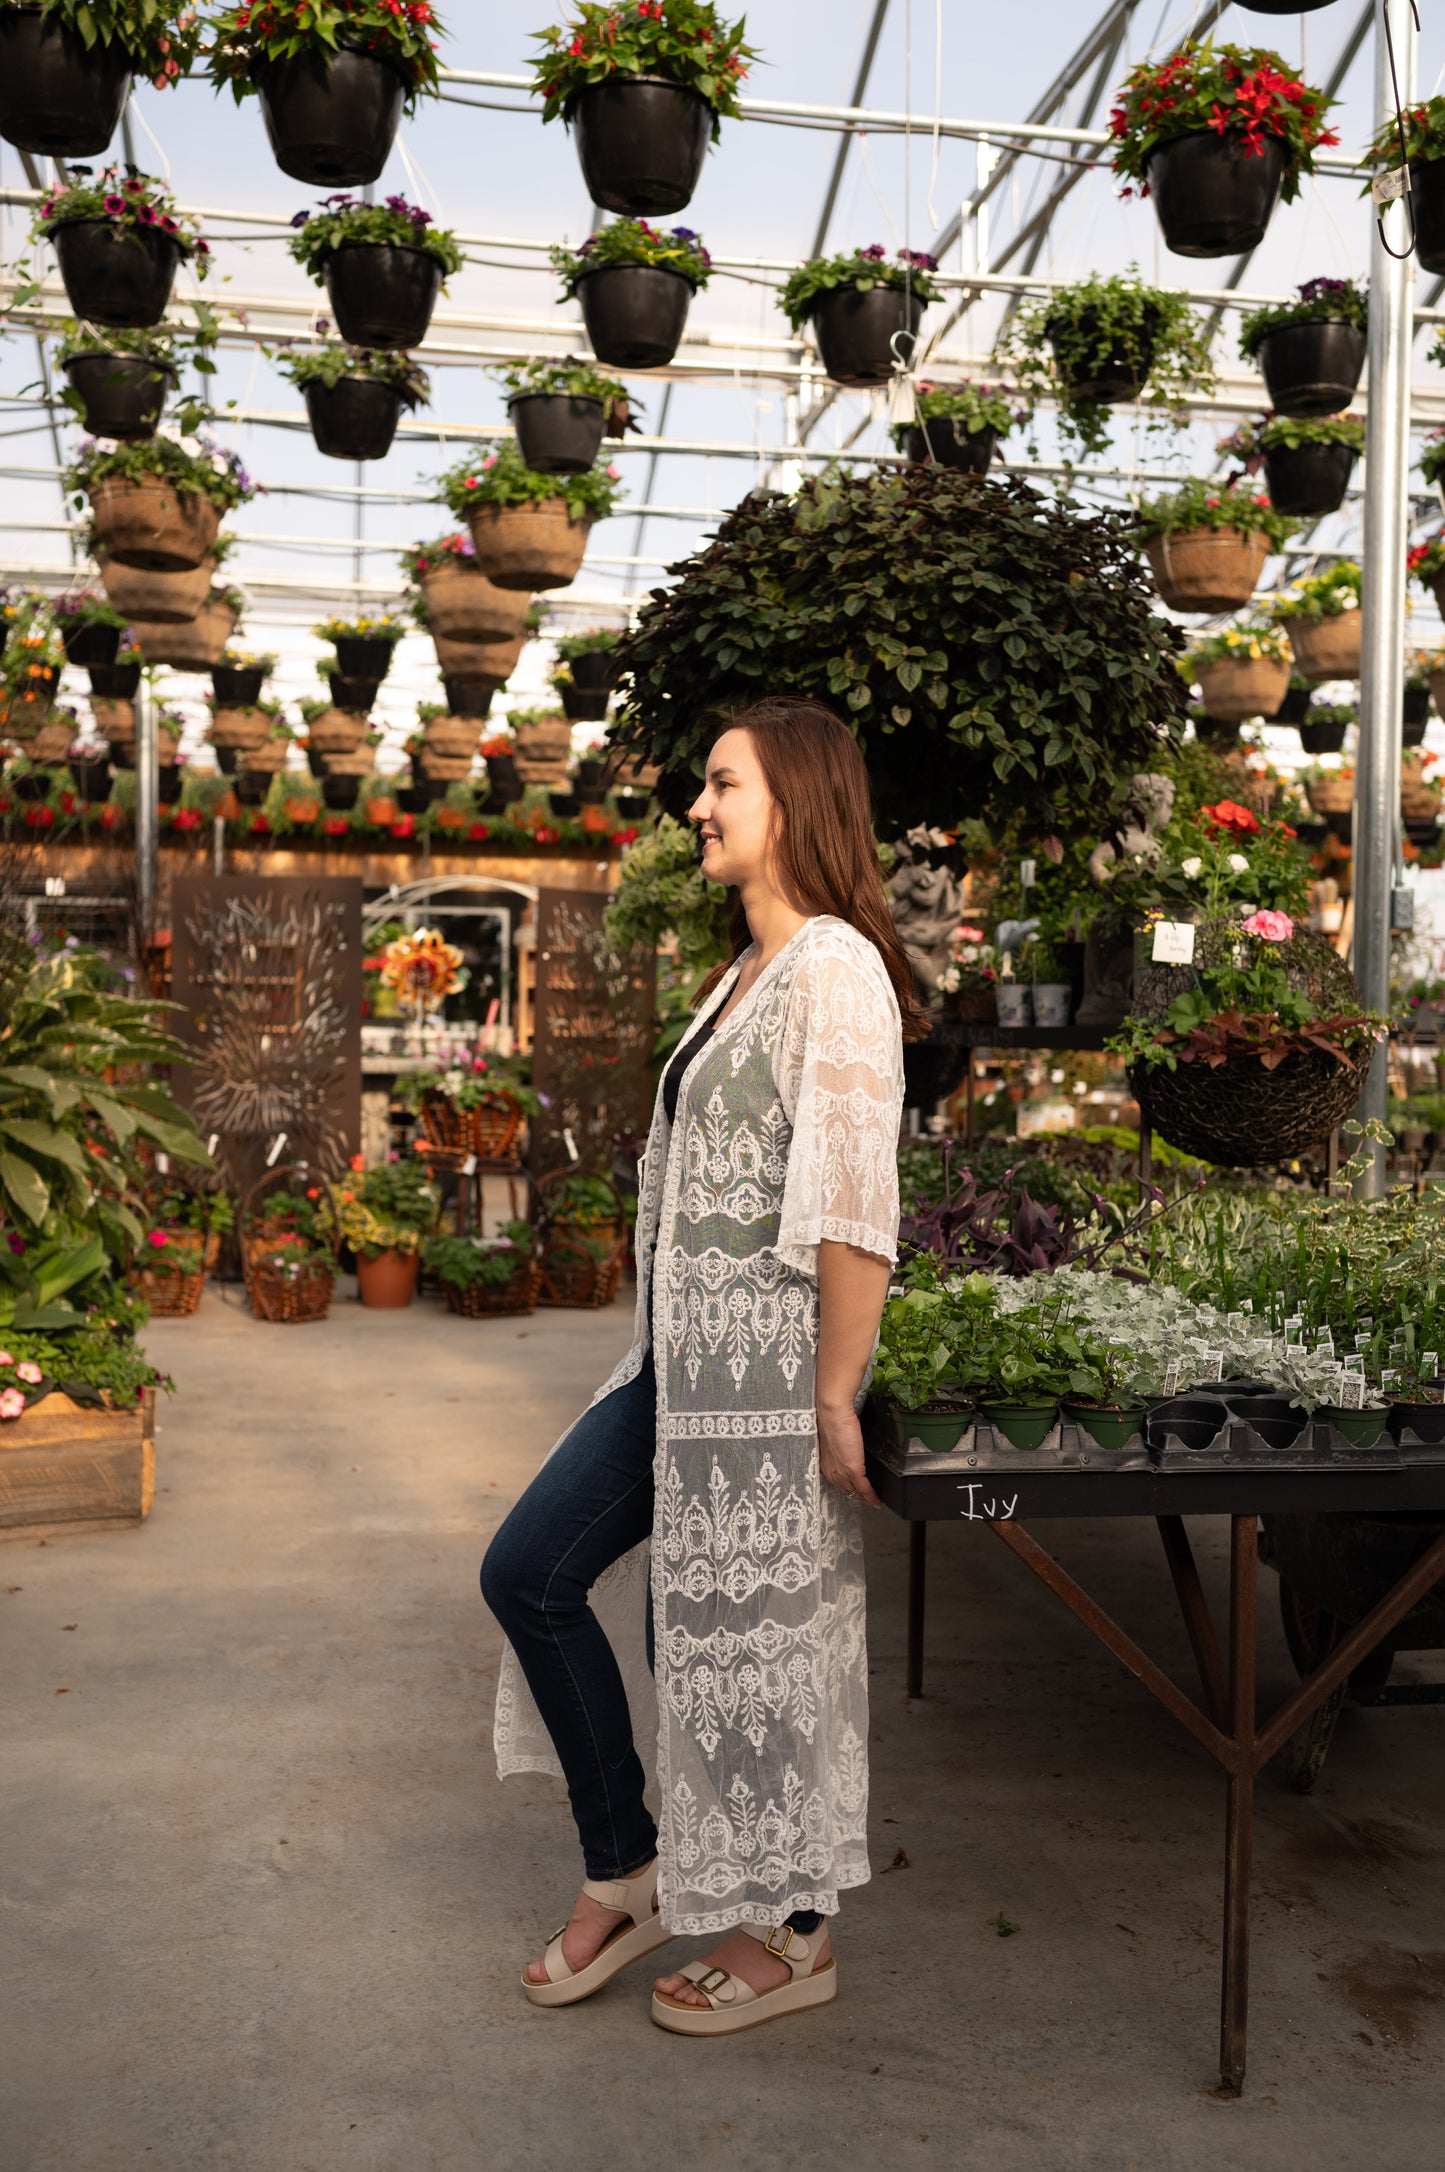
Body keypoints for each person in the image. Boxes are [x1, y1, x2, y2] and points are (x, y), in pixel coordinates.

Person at [481, 697, 926, 2036]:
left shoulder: (835, 969)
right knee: (534, 1573)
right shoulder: (746, 973)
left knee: (747, 1643)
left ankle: (794, 1933)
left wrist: (833, 1394)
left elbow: (851, 1203)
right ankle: (626, 1860)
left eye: (721, 783)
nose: (697, 806)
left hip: (764, 1382)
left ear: (794, 798)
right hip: (678, 1373)